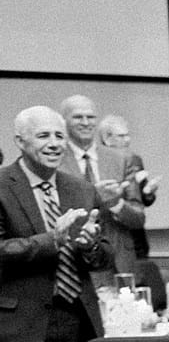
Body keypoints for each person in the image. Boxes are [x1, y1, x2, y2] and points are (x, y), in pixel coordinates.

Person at [0, 107, 113, 342]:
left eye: (59, 136)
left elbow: (106, 255)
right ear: (20, 141)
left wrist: (90, 247)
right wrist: (51, 240)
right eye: (43, 136)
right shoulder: (2, 186)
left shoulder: (82, 189)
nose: (54, 144)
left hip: (80, 323)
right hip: (20, 332)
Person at [58, 95, 143, 276]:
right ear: (64, 121)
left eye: (90, 117)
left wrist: (115, 203)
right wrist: (92, 196)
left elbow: (138, 219)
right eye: (78, 117)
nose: (85, 122)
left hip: (120, 264)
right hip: (75, 263)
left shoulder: (121, 159)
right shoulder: (55, 161)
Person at [97, 113, 159, 259]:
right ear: (107, 139)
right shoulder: (96, 161)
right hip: (109, 231)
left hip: (135, 234)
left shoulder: (135, 160)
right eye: (121, 136)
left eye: (128, 135)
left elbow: (142, 201)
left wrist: (147, 193)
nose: (127, 140)